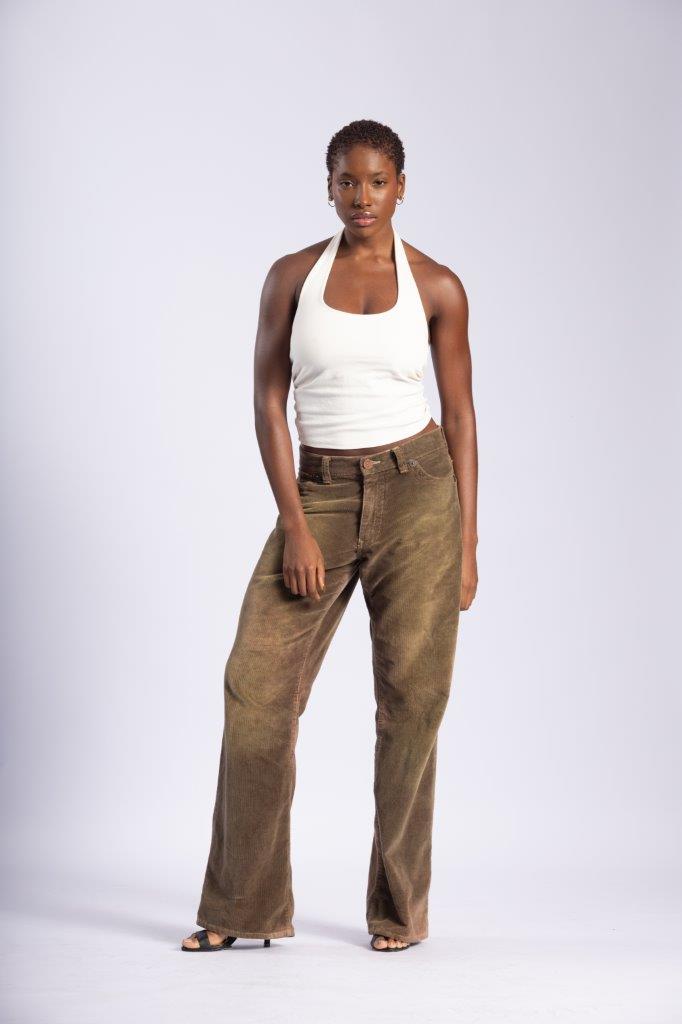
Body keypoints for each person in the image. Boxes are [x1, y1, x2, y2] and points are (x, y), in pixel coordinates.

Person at [182, 118, 478, 954]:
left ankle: (399, 912)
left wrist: (467, 544)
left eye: (377, 181)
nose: (362, 196)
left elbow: (460, 415)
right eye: (348, 181)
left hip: (421, 494)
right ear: (329, 187)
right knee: (256, 693)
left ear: (401, 188)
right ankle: (243, 908)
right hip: (319, 493)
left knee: (412, 705)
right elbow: (267, 401)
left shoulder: (439, 286)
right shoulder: (291, 277)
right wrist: (295, 525)